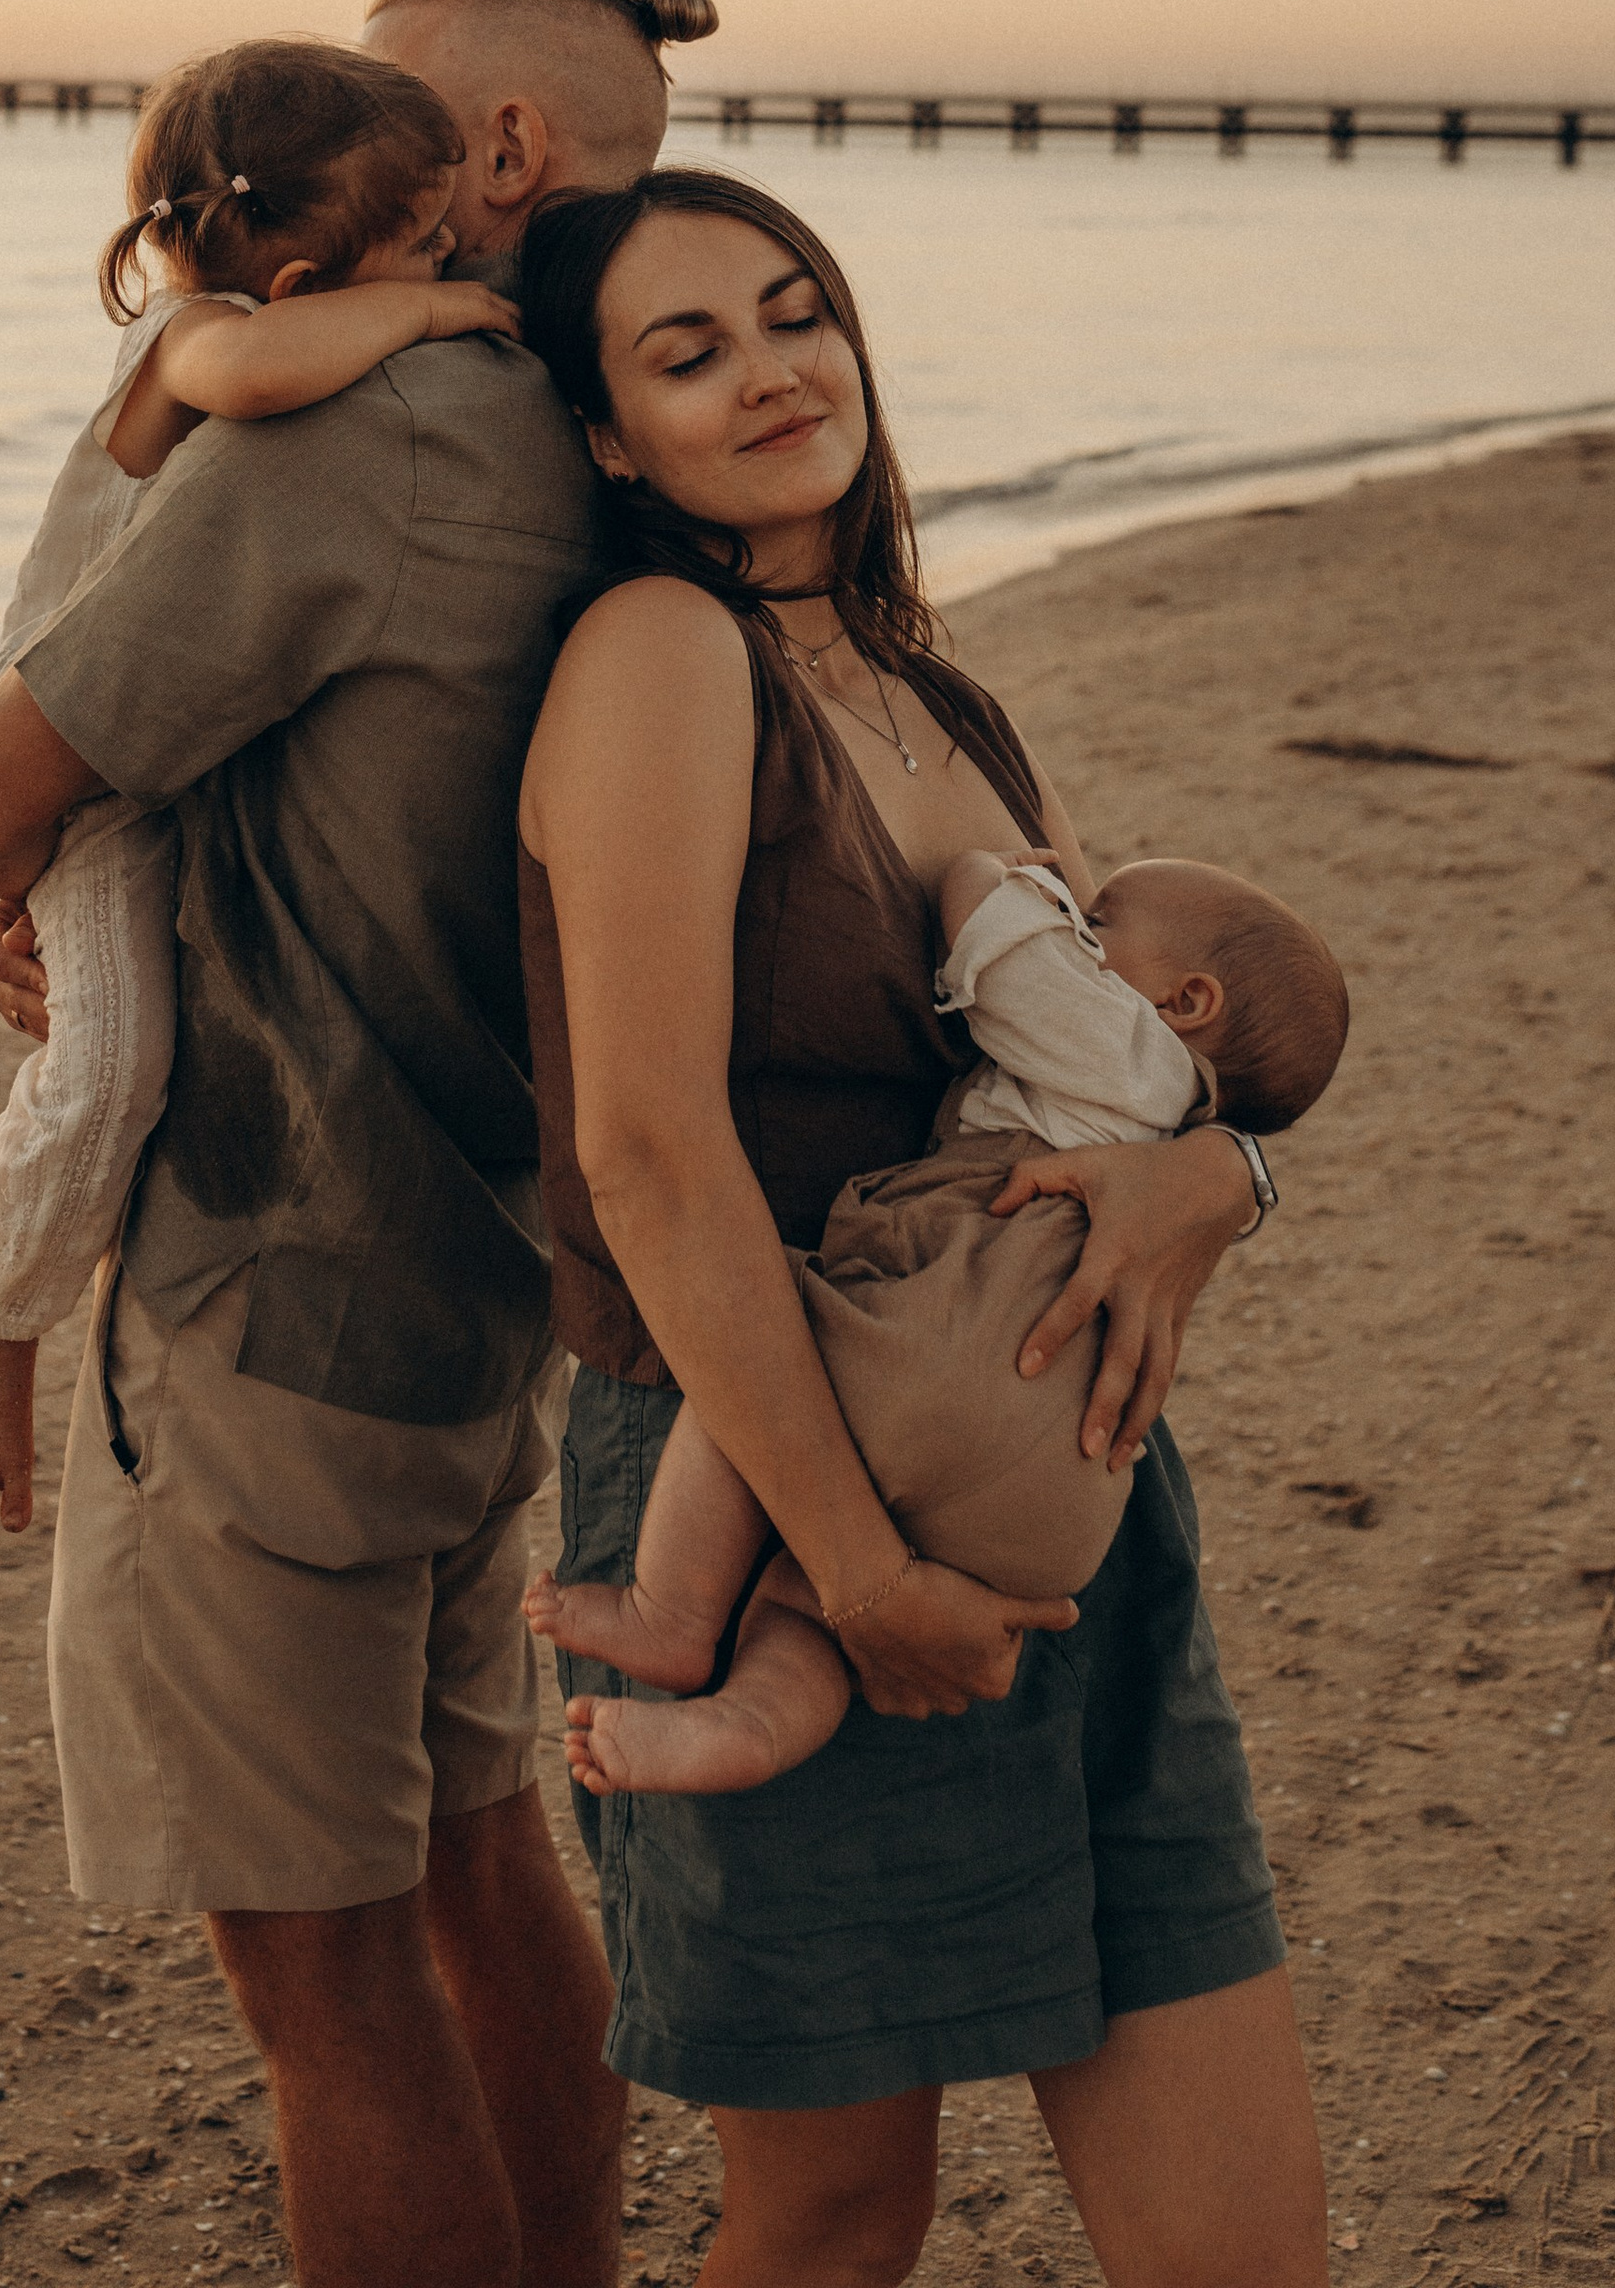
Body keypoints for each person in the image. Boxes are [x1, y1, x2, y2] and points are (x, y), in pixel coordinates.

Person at [0, 0, 718, 2288]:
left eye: (387, 91)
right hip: (477, 1281)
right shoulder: (591, 425)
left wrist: (39, 887)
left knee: (320, 1977)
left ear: (498, 158)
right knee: (477, 1859)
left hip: (269, 1291)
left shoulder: (348, 434)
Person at [509, 166, 1329, 2288]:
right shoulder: (654, 656)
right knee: (830, 2225)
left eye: (797, 316)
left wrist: (1219, 1180)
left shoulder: (925, 676)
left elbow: (1097, 1067)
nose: (773, 370)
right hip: (770, 1493)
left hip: (1073, 1504)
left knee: (1236, 2245)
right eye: (686, 352)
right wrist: (853, 1572)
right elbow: (648, 1155)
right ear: (606, 437)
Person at [0, 37, 518, 1525]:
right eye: (425, 245)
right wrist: (441, 308)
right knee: (106, 1069)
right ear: (321, 293)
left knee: (108, 1037)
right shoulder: (197, 339)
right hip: (80, 758)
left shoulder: (273, 336)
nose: (452, 269)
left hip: (136, 743)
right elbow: (257, 373)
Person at [529, 843, 1348, 1793]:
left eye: (1097, 924)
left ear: (1188, 1005)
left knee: (756, 1345)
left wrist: (1003, 879)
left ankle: (671, 1612)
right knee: (805, 1612)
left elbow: (993, 946)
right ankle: (749, 1726)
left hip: (953, 1370)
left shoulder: (1123, 1047)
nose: (1076, 925)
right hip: (1059, 1501)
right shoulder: (1179, 1127)